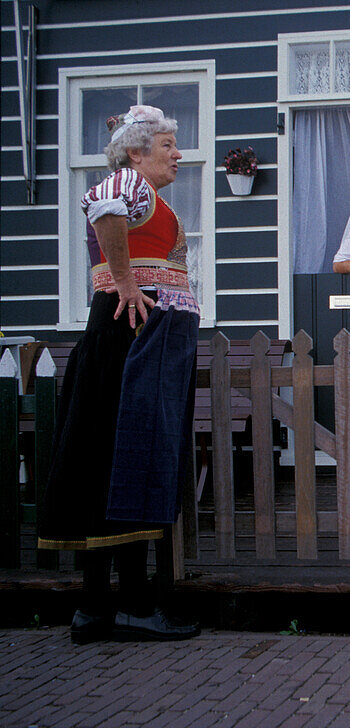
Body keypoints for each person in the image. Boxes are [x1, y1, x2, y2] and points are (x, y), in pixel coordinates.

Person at [37, 105, 201, 644]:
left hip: (142, 336)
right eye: (168, 145)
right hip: (133, 335)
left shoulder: (151, 196)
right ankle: (130, 605)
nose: (178, 154)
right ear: (137, 152)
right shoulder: (128, 181)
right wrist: (128, 284)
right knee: (131, 454)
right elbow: (102, 206)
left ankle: (96, 607)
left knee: (111, 458)